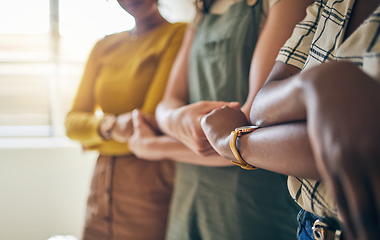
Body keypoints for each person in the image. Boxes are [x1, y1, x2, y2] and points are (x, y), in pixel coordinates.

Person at [127, 0, 313, 239]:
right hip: (189, 199)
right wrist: (178, 117)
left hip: (250, 207)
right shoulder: (201, 12)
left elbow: (249, 129)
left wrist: (153, 147)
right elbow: (168, 103)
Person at [200, 0, 380, 239]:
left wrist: (232, 142)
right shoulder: (329, 3)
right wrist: (313, 86)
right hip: (309, 228)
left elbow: (359, 145)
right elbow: (261, 110)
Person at [64, 0, 186, 239]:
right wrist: (108, 126)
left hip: (150, 182)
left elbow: (149, 127)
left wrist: (92, 137)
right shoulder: (103, 46)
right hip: (100, 184)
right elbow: (71, 123)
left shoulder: (177, 34)